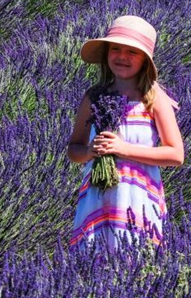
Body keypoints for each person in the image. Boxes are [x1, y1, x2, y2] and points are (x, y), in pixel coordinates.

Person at [67, 15, 184, 253]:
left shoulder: (153, 99)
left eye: (132, 52)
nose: (122, 57)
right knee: (91, 264)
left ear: (145, 61)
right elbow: (74, 149)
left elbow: (176, 155)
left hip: (138, 198)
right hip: (97, 199)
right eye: (116, 49)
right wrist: (90, 152)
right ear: (106, 54)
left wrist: (123, 150)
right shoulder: (93, 97)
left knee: (136, 263)